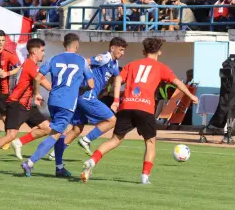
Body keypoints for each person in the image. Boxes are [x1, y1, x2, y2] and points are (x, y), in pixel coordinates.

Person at [81, 38, 198, 184]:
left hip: (127, 106)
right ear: (159, 52)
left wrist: (116, 101)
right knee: (150, 142)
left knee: (115, 139)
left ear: (143, 52)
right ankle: (145, 177)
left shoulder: (131, 65)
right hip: (145, 108)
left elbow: (118, 79)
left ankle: (92, 160)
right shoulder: (162, 67)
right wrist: (191, 95)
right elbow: (178, 83)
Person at [21, 33, 94, 177]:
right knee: (55, 134)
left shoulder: (54, 59)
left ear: (64, 45)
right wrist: (80, 89)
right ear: (77, 45)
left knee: (60, 133)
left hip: (53, 101)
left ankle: (59, 167)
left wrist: (37, 93)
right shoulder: (82, 61)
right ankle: (30, 162)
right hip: (67, 103)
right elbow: (91, 84)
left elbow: (37, 77)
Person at [52, 37, 128, 174]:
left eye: (124, 51)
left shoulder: (114, 64)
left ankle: (55, 154)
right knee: (112, 120)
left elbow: (117, 78)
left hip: (82, 96)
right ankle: (87, 139)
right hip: (87, 96)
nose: (122, 53)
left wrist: (116, 99)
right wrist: (82, 80)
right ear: (112, 48)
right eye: (121, 50)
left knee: (77, 128)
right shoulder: (104, 58)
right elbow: (85, 62)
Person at [0, 39, 52, 164]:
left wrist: (35, 94)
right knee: (10, 135)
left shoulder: (30, 65)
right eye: (42, 51)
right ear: (34, 51)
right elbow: (48, 86)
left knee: (47, 128)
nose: (43, 53)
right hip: (17, 105)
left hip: (27, 105)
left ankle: (19, 142)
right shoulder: (30, 66)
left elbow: (32, 83)